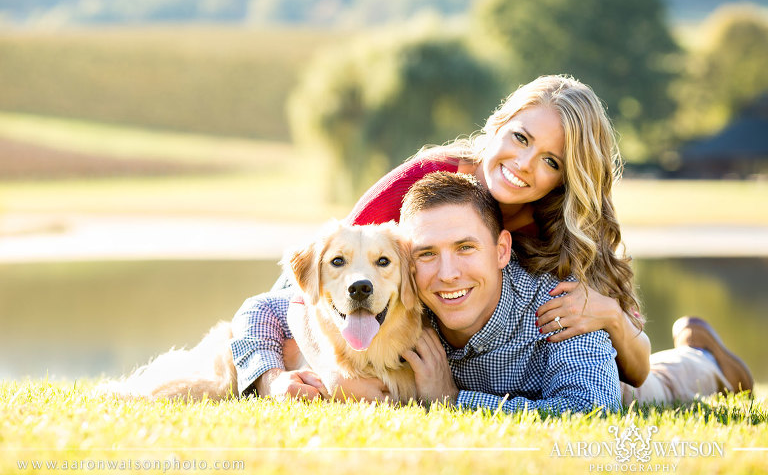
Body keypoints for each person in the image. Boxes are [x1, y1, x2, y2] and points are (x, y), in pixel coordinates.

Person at [244, 74, 751, 403]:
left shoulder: (562, 236)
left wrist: (614, 318)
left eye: (551, 161)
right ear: (498, 126)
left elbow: (631, 369)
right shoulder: (420, 189)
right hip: (444, 359)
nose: (524, 165)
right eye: (521, 138)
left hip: (538, 362)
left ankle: (704, 363)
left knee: (639, 393)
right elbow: (306, 294)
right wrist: (336, 375)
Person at [234, 172, 622, 412]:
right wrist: (276, 379)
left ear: (502, 250)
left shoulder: (561, 308)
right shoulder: (411, 298)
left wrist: (452, 400)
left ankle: (687, 354)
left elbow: (592, 411)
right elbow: (263, 309)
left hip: (634, 378)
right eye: (427, 254)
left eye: (466, 248)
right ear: (410, 264)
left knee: (663, 379)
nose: (448, 275)